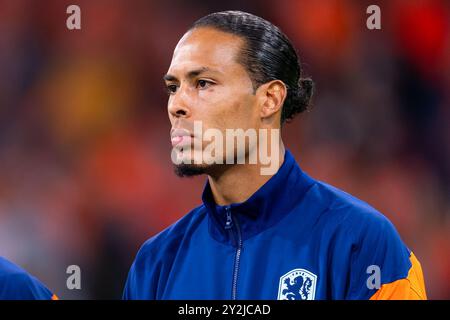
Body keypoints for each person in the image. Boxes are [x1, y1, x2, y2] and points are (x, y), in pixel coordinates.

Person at [123, 11, 426, 300]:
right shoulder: (156, 264)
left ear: (269, 99)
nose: (177, 105)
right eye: (173, 87)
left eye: (203, 83)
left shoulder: (360, 243)